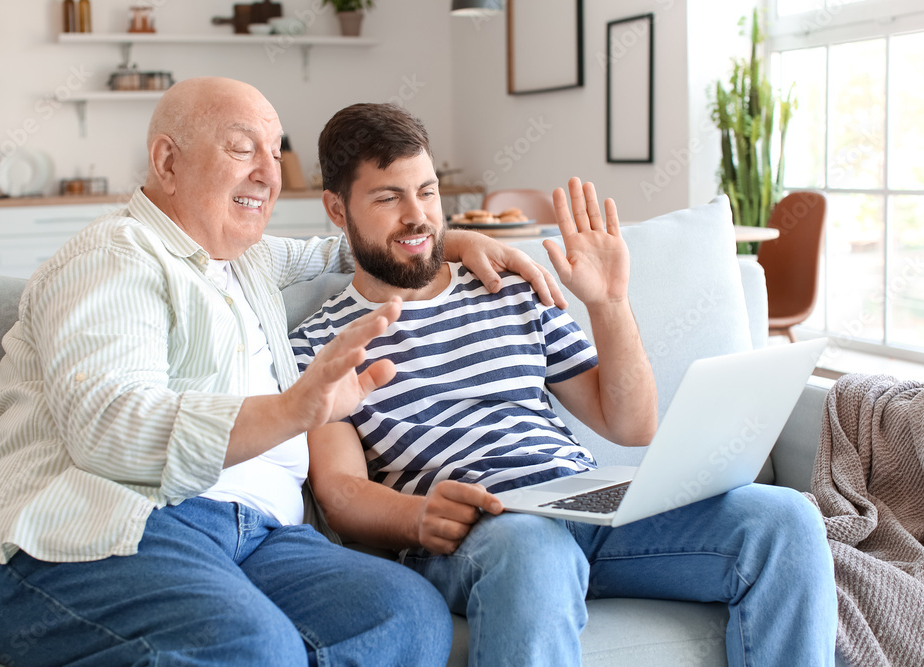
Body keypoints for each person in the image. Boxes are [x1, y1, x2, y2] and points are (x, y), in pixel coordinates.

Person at [0, 78, 565, 666]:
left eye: (275, 152)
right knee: (252, 648)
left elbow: (357, 241)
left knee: (405, 616)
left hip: (260, 536)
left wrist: (450, 238)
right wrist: (293, 410)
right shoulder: (114, 257)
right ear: (167, 162)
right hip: (100, 533)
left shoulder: (248, 259)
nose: (269, 174)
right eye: (242, 149)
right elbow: (110, 429)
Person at [291, 102, 839, 667]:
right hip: (487, 532)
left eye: (427, 192)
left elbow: (631, 424)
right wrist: (419, 518)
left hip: (585, 500)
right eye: (388, 197)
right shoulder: (320, 344)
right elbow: (341, 494)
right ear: (337, 208)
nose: (417, 216)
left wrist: (608, 303)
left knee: (786, 519)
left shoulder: (508, 290)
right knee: (533, 548)